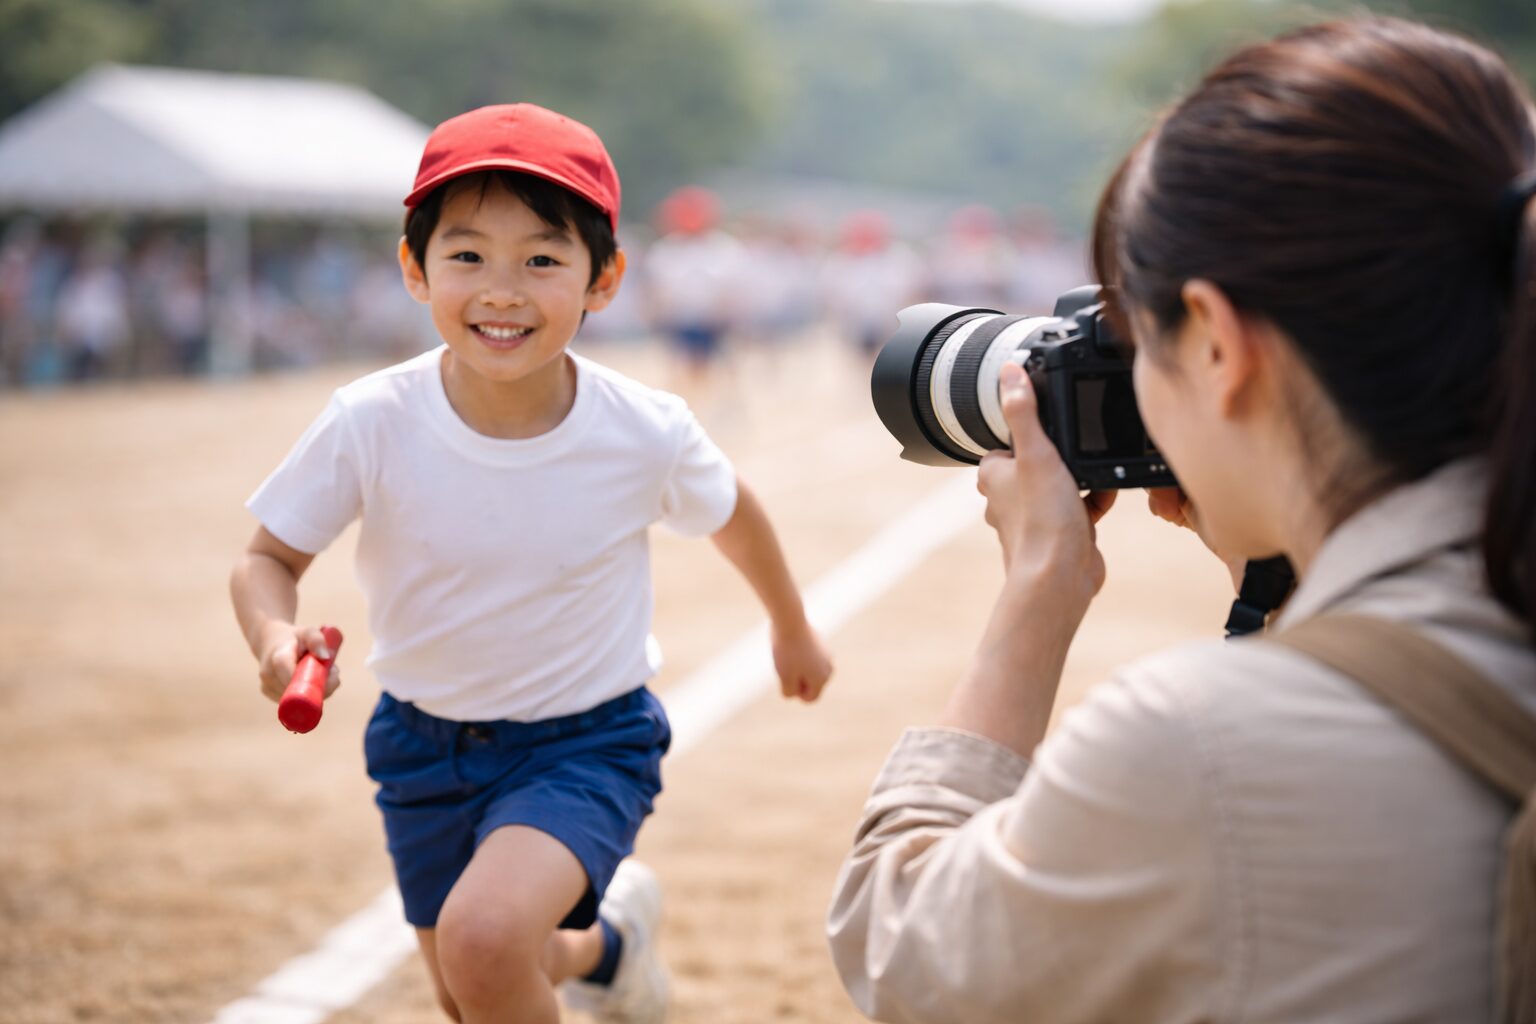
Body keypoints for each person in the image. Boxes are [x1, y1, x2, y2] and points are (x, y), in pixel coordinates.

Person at [827, 17, 1536, 1023]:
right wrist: (1290, 573)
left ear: (1213, 341)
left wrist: (1037, 592)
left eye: (1133, 337)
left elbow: (906, 952)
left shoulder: (1201, 745)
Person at [229, 103, 833, 1024]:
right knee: (481, 983)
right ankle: (612, 944)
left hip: (587, 741)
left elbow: (733, 511)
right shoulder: (370, 420)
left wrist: (791, 626)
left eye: (542, 260)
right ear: (412, 267)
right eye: (467, 256)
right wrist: (275, 637)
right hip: (421, 744)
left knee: (483, 943)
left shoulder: (643, 430)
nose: (502, 290)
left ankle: (588, 938)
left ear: (605, 278)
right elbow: (267, 557)